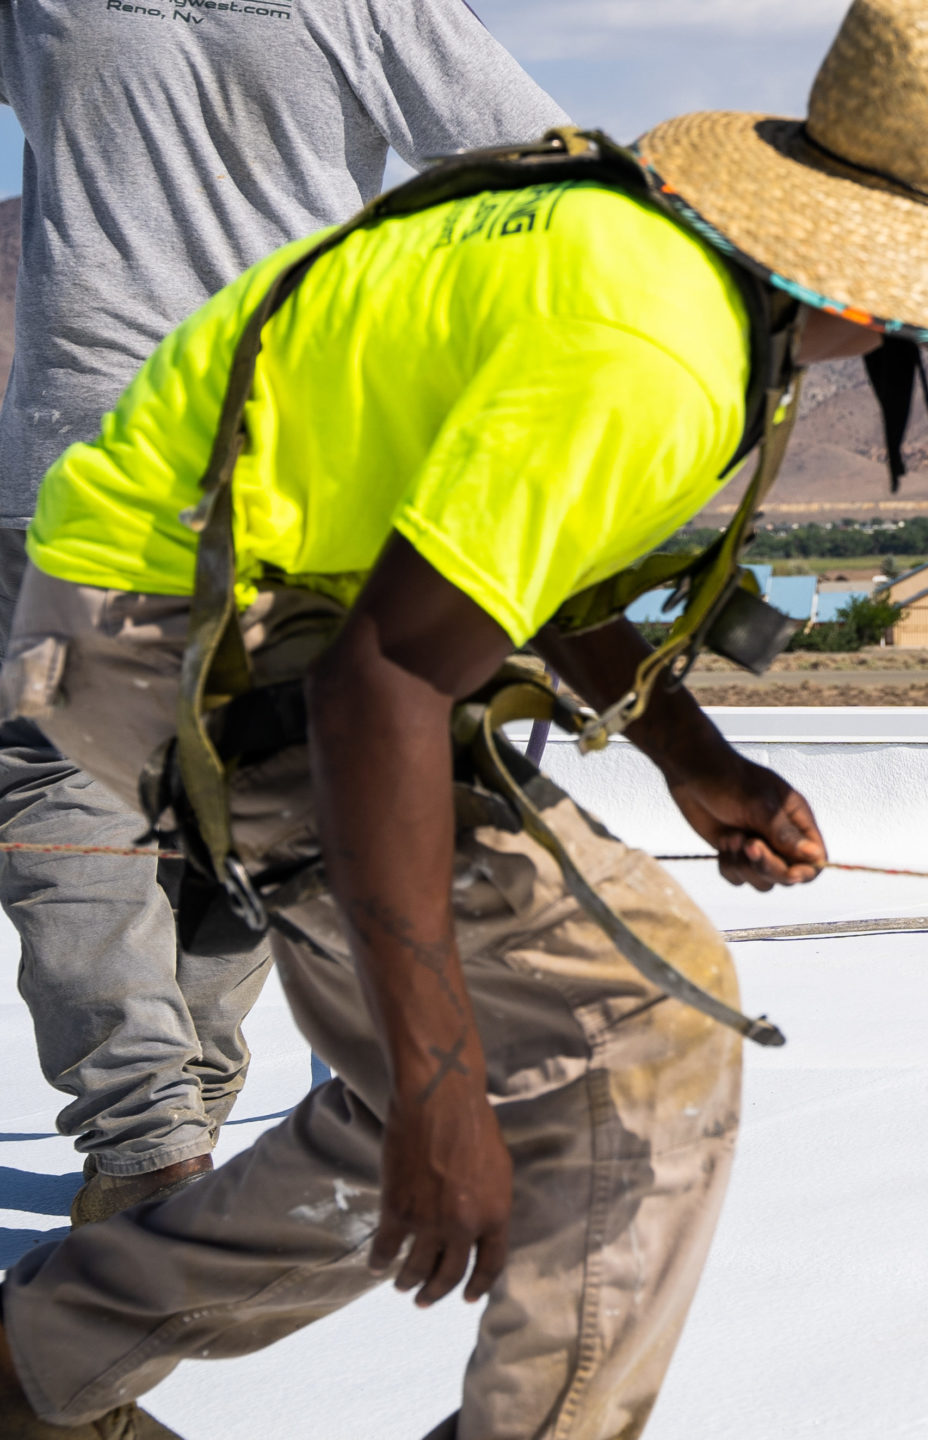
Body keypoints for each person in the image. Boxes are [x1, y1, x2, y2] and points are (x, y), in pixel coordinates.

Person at [0, 0, 928, 1434]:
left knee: (465, 1063)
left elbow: (502, 549)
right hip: (191, 626)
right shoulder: (658, 344)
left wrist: (698, 762)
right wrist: (449, 1088)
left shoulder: (660, 267)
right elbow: (378, 681)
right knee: (648, 1029)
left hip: (193, 583)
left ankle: (36, 1367)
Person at [0, 0, 568, 1226]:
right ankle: (169, 1124)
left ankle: (152, 1131)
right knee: (257, 792)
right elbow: (548, 175)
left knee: (69, 780)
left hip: (91, 445)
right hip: (305, 456)